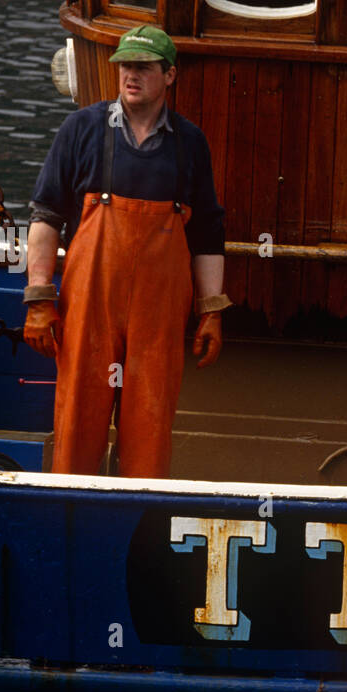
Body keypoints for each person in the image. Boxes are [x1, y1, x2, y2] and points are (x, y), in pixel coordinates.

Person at [22, 24, 229, 478]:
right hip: (90, 306)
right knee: (78, 422)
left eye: (142, 67)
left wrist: (211, 308)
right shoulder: (82, 128)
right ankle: (70, 516)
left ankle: (138, 530)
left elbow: (208, 235)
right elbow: (46, 217)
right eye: (125, 67)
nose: (130, 76)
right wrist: (39, 298)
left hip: (158, 314)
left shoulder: (190, 143)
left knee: (149, 431)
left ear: (169, 76)